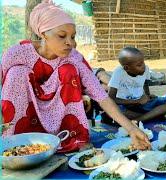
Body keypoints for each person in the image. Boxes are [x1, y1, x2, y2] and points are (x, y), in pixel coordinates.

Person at [1, 0, 150, 152]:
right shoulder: (17, 53)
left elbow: (100, 95)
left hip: (60, 123)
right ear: (44, 34)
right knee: (16, 73)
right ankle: (17, 144)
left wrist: (131, 129)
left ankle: (72, 139)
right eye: (62, 36)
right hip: (27, 118)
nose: (70, 43)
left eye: (72, 37)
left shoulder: (73, 57)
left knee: (68, 70)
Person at [108, 47, 166, 122]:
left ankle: (139, 119)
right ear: (126, 68)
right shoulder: (119, 72)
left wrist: (148, 95)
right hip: (126, 105)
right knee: (116, 111)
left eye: (143, 62)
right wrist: (136, 101)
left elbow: (145, 83)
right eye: (139, 65)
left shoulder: (146, 69)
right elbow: (111, 98)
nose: (143, 66)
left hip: (142, 104)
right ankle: (152, 116)